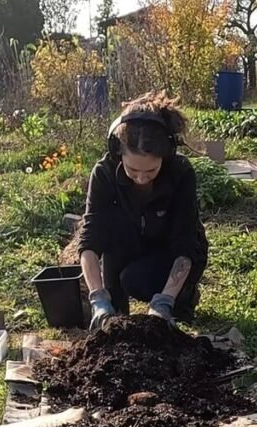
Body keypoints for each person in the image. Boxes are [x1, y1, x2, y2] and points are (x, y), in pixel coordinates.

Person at [78, 92, 209, 330]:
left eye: (150, 171)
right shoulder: (104, 174)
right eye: (132, 170)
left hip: (167, 252)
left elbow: (185, 243)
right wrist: (98, 298)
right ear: (118, 153)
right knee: (114, 319)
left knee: (136, 281)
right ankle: (113, 305)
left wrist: (165, 300)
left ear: (165, 156)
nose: (140, 178)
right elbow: (90, 239)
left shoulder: (180, 173)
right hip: (127, 244)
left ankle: (182, 298)